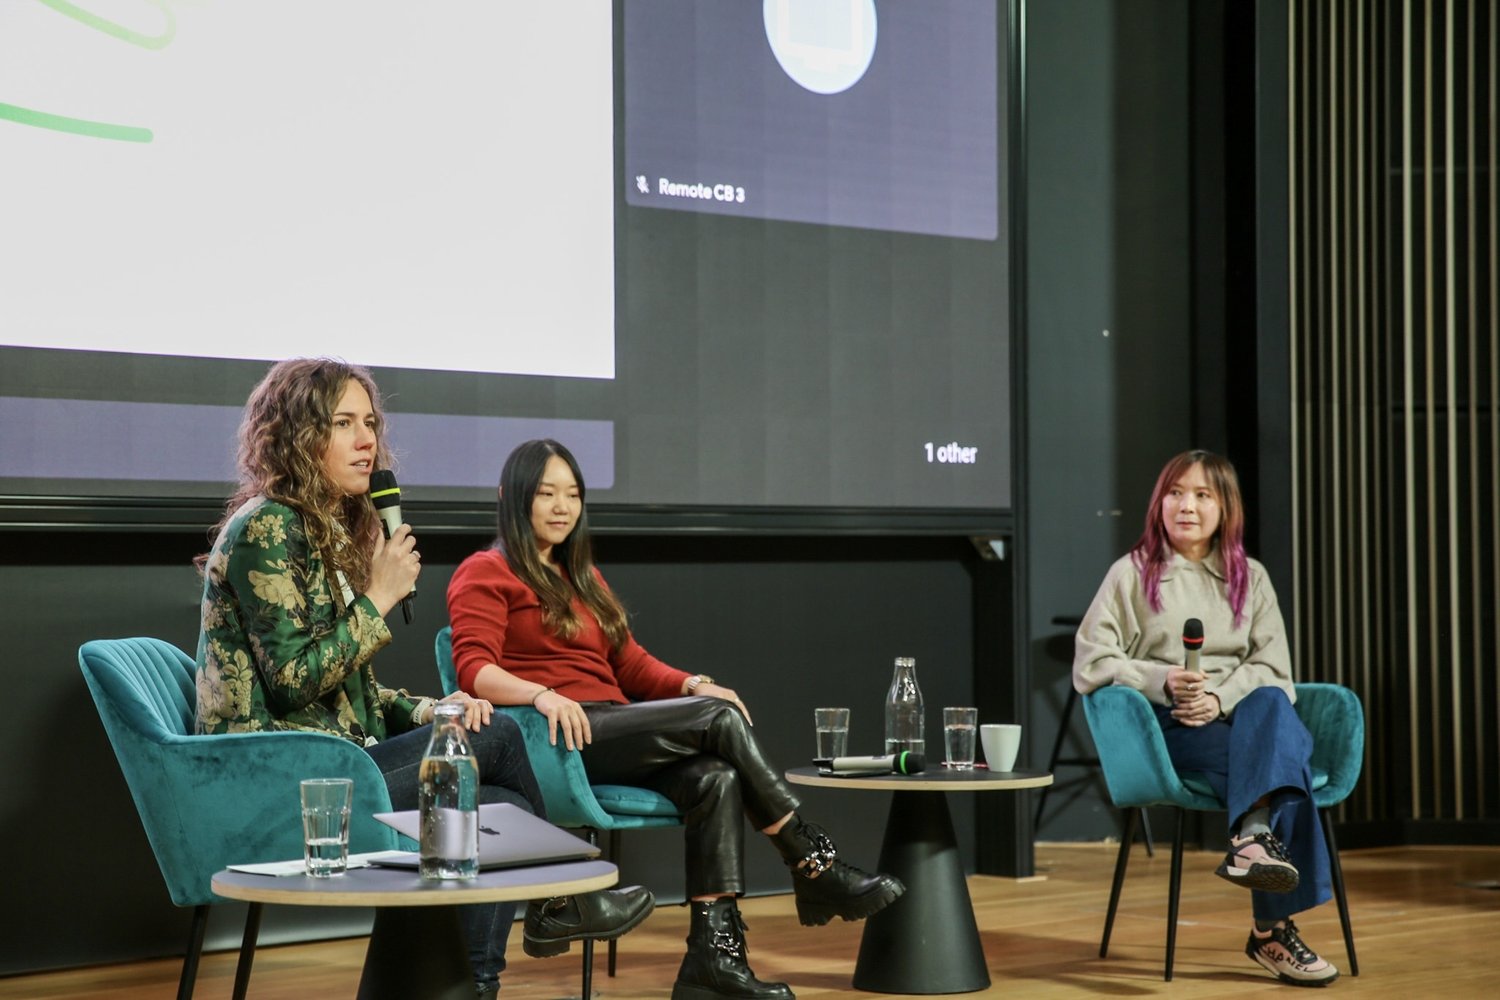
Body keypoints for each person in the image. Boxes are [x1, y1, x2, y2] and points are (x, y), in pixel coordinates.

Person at [193, 359, 652, 998]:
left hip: (330, 758)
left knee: (501, 800)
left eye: (371, 424)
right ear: (299, 436)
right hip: (283, 774)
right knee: (493, 743)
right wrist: (377, 599)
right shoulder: (269, 527)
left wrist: (434, 711)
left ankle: (478, 984)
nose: (368, 442)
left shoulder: (318, 530)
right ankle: (556, 900)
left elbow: (350, 694)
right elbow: (295, 683)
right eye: (344, 424)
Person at [446, 438, 905, 1000]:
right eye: (546, 494)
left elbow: (631, 664)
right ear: (512, 498)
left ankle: (712, 963)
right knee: (714, 720)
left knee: (717, 778)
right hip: (554, 739)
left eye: (572, 494)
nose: (563, 506)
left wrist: (693, 684)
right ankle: (812, 861)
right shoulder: (484, 571)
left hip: (611, 727)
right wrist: (541, 694)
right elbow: (474, 669)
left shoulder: (582, 577)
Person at [1073, 449, 1339, 987]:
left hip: (1239, 720)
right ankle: (1270, 928)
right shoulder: (1131, 573)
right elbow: (1091, 662)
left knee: (1270, 705)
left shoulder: (1251, 577)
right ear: (1159, 503)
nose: (1186, 506)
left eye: (1202, 495)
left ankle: (1252, 838)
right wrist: (1159, 679)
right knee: (1288, 770)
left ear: (1225, 508)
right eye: (1175, 493)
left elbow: (1275, 670)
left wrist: (1218, 696)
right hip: (1167, 731)